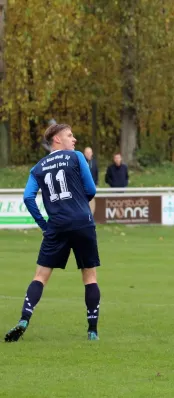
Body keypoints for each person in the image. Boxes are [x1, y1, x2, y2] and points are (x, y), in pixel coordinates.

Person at [4, 124, 101, 342]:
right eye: (69, 135)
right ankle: (92, 330)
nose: (74, 139)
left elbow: (28, 197)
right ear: (57, 139)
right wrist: (78, 205)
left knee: (40, 276)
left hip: (56, 226)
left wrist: (43, 224)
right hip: (82, 222)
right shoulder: (76, 157)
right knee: (89, 276)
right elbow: (92, 190)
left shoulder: (37, 168)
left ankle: (24, 319)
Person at [83, 147, 99, 214]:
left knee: (92, 202)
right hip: (84, 187)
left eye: (90, 153)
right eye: (87, 153)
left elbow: (96, 173)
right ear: (84, 153)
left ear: (92, 153)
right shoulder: (82, 162)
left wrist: (97, 183)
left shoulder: (94, 162)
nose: (88, 154)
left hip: (93, 185)